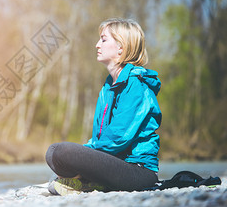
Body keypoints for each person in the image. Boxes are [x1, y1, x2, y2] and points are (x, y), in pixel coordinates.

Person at [45, 18, 162, 195]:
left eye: (103, 39)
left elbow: (119, 137)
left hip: (138, 171)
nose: (97, 44)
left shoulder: (137, 85)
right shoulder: (108, 87)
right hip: (115, 163)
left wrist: (83, 155)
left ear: (121, 47)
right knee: (53, 154)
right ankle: (90, 182)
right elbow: (100, 137)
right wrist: (86, 156)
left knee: (61, 152)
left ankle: (86, 181)